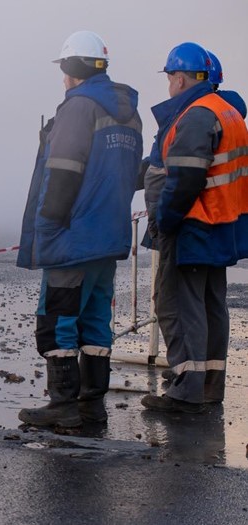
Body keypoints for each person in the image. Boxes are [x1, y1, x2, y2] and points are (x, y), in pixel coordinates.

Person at [16, 31, 143, 427]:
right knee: (94, 317)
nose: (63, 78)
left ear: (72, 69)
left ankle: (63, 406)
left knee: (58, 317)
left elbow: (64, 171)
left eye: (64, 70)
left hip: (73, 235)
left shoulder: (78, 108)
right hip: (109, 234)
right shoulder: (129, 114)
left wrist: (49, 225)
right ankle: (91, 401)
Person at [140, 42, 248, 413]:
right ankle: (206, 384)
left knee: (178, 306)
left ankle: (187, 390)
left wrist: (164, 221)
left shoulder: (197, 114)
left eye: (170, 77)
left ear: (180, 78)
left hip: (194, 225)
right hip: (221, 224)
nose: (169, 85)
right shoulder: (226, 112)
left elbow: (185, 178)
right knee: (210, 306)